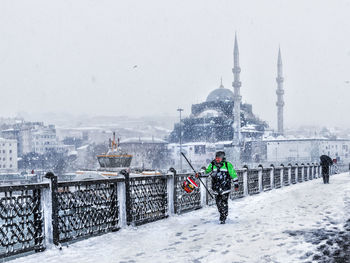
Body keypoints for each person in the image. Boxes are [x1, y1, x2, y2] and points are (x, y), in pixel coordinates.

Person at [197, 151, 238, 224]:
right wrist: (200, 173)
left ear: (223, 158)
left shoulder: (227, 165)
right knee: (218, 203)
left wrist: (236, 184)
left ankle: (223, 216)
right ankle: (222, 213)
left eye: (219, 157)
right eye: (216, 157)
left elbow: (233, 174)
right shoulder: (212, 165)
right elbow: (207, 171)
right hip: (216, 187)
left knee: (224, 202)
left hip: (225, 187)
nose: (217, 159)